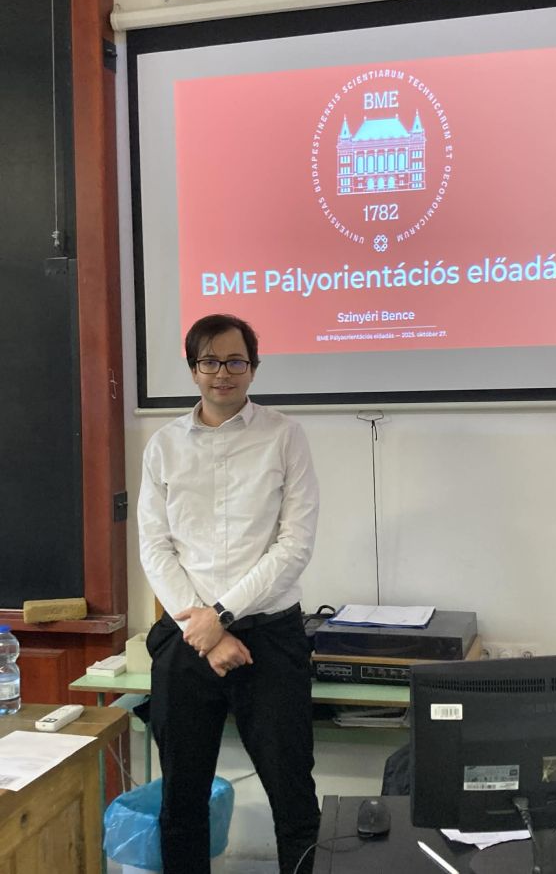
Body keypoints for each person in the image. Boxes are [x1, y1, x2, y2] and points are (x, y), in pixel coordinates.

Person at [137, 313, 320, 874]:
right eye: (210, 361)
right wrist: (206, 631)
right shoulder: (163, 446)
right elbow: (154, 547)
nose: (223, 373)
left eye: (236, 361)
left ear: (254, 368)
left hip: (269, 638)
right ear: (193, 369)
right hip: (188, 640)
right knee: (181, 800)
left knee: (294, 798)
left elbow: (294, 545)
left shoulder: (285, 435)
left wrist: (220, 615)